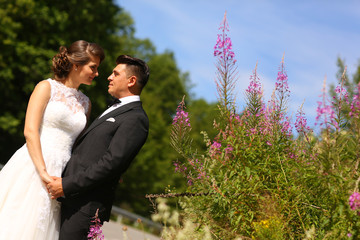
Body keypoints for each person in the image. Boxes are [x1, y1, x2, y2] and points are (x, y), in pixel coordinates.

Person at [0, 40, 104, 239]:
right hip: (34, 163)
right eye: (93, 67)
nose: (97, 73)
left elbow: (78, 145)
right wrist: (43, 173)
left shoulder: (86, 103)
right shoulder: (46, 87)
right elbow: (30, 131)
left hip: (63, 173)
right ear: (76, 65)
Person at [47, 54, 150, 240]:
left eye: (115, 73)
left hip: (85, 207)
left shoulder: (136, 119)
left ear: (131, 80)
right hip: (69, 198)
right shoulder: (114, 108)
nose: (109, 77)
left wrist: (67, 185)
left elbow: (110, 164)